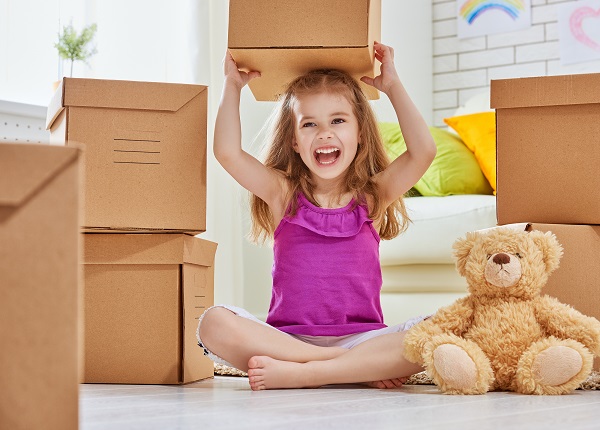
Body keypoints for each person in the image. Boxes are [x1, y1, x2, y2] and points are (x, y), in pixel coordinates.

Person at [197, 42, 436, 391]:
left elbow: (423, 151)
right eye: (309, 124)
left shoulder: (372, 196)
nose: (325, 133)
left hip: (361, 341)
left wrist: (393, 86)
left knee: (438, 329)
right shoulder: (284, 194)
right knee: (213, 323)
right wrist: (232, 86)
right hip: (287, 343)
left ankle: (310, 374)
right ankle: (348, 369)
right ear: (294, 141)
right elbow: (228, 152)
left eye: (338, 120)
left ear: (359, 134)